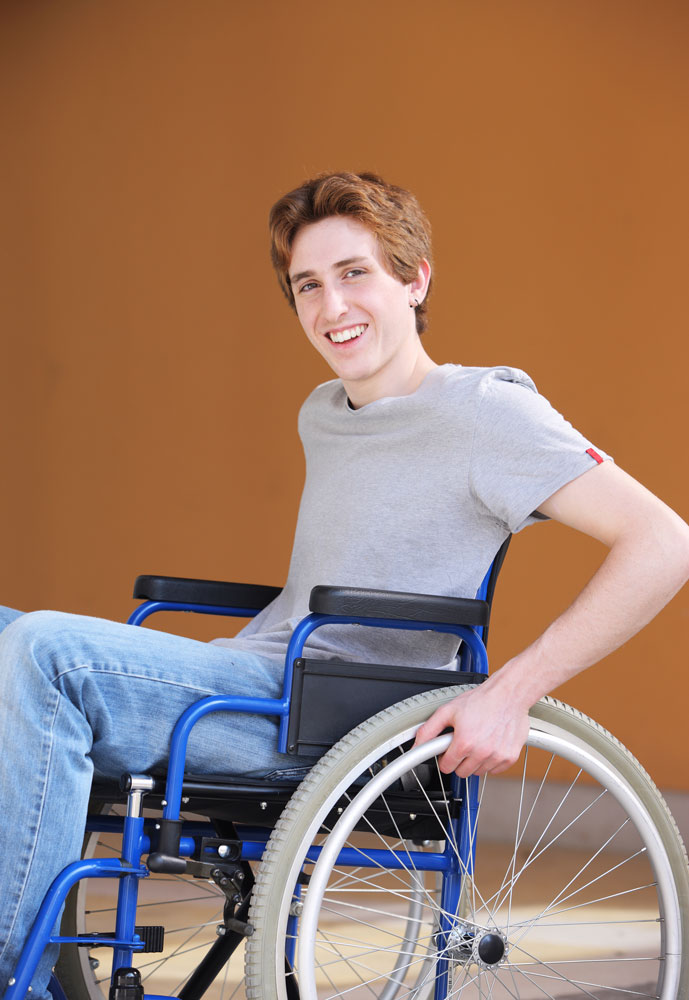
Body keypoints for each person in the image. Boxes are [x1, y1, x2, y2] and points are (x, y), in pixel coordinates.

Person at [1, 170, 688, 998]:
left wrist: (510, 691)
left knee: (44, 653)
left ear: (414, 278)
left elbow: (663, 542)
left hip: (327, 718)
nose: (332, 309)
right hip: (259, 678)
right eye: (308, 286)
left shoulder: (486, 412)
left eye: (355, 274)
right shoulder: (325, 411)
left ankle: (16, 974)